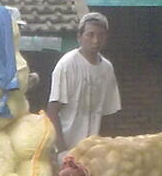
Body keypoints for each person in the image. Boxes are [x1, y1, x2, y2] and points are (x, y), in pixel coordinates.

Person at [46, 12, 121, 156]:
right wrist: (62, 151)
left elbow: (108, 113)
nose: (95, 40)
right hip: (67, 147)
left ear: (106, 38)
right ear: (79, 37)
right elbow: (53, 111)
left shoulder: (107, 68)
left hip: (94, 151)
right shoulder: (67, 64)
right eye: (90, 35)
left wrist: (107, 146)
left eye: (100, 35)